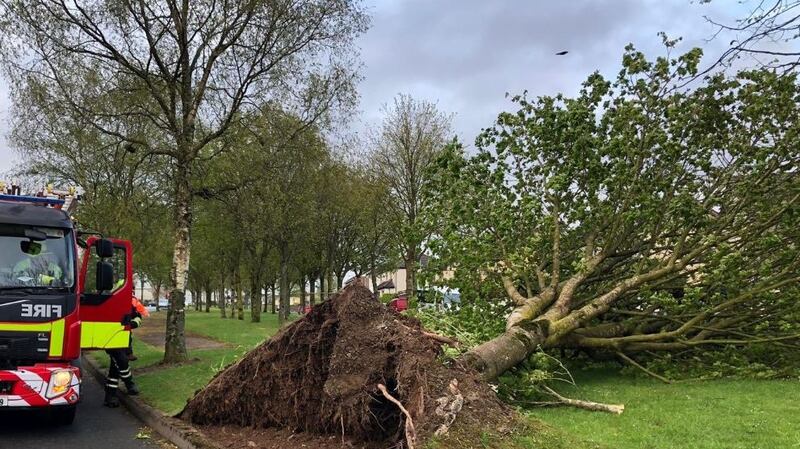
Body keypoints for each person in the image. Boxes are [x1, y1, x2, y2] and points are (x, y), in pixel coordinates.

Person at [104, 305, 142, 408]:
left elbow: (138, 317)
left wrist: (133, 323)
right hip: (111, 341)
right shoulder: (109, 304)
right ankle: (129, 384)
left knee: (114, 370)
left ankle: (110, 396)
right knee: (122, 362)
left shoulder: (129, 305)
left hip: (125, 342)